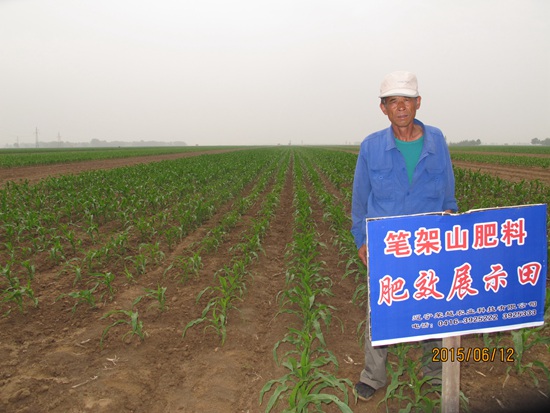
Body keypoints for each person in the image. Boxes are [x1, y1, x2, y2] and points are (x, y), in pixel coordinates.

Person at [350, 70, 458, 401]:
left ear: (418, 103)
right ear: (383, 108)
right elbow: (359, 200)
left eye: (406, 100)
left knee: (434, 304)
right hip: (389, 245)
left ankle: (435, 369)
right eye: (393, 101)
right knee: (381, 309)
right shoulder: (371, 147)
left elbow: (449, 196)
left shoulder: (437, 141)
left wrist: (453, 232)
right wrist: (361, 239)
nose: (400, 107)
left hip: (429, 243)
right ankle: (373, 374)